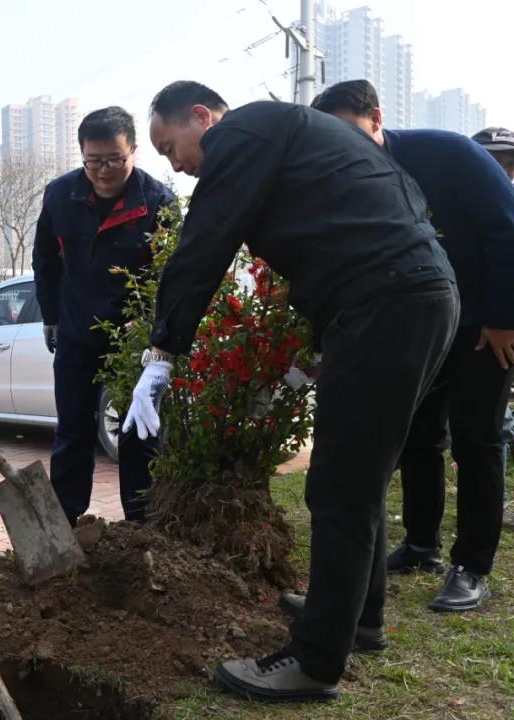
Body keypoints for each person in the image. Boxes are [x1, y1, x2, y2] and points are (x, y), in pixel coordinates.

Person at [132, 81, 456, 702]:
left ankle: (315, 662)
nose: (175, 165)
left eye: (170, 147)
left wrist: (163, 351)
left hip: (385, 302)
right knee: (358, 474)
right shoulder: (298, 134)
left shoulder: (240, 134)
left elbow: (206, 239)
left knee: (338, 484)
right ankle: (357, 616)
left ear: (202, 117)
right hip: (414, 296)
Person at [311, 80, 514, 613]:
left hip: (482, 329)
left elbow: (506, 230)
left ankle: (472, 566)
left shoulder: (449, 153)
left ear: (377, 118)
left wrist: (503, 319)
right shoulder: (347, 177)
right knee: (418, 436)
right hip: (416, 328)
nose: (342, 146)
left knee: (477, 439)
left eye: (350, 132)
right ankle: (423, 545)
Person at [31, 106, 175, 525]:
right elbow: (45, 259)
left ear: (133, 150)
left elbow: (172, 275)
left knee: (137, 434)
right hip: (76, 334)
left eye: (114, 159)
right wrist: (51, 316)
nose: (104, 171)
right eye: (93, 161)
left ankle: (140, 525)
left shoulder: (157, 202)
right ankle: (65, 523)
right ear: (82, 154)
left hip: (133, 343)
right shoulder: (61, 195)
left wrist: (152, 328)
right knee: (72, 432)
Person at [469, 127, 514, 530]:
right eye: (491, 160)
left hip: (503, 330)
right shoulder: (455, 207)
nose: (502, 169)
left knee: (494, 426)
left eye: (508, 162)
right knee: (491, 425)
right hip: (476, 331)